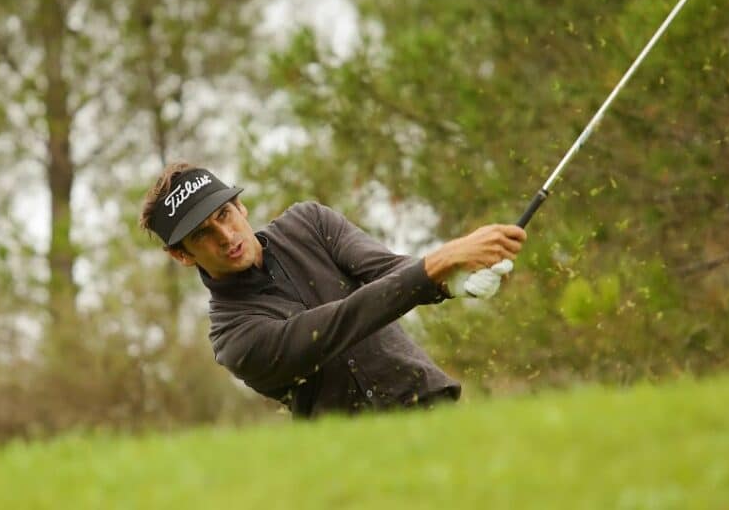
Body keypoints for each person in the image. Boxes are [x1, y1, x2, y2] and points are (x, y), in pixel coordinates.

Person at [138, 162, 526, 419]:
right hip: (353, 458)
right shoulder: (233, 336)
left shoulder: (309, 223)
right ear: (181, 255)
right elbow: (339, 324)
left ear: (241, 206)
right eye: (202, 234)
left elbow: (388, 270)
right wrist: (440, 264)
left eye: (223, 215)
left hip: (434, 407)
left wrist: (452, 281)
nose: (225, 236)